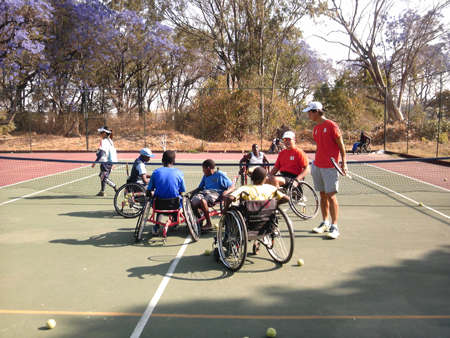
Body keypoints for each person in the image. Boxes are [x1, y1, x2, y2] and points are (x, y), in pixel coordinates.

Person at [304, 101, 347, 239]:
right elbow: (320, 147)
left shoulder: (332, 126)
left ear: (316, 111)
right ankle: (325, 222)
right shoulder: (316, 128)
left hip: (330, 168)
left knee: (330, 195)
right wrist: (315, 164)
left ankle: (335, 227)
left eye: (309, 112)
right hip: (318, 166)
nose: (308, 115)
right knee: (322, 195)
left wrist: (344, 163)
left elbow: (341, 146)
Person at [147, 150, 186, 235]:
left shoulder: (156, 172)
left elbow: (149, 190)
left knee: (158, 201)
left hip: (159, 204)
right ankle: (176, 222)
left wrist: (149, 195)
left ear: (162, 161)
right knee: (178, 199)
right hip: (174, 204)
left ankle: (157, 226)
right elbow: (181, 192)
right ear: (174, 161)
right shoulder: (179, 173)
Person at [190, 159, 236, 231]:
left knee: (203, 201)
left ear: (208, 168)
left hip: (215, 193)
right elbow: (200, 188)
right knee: (193, 203)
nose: (203, 171)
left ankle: (209, 224)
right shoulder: (205, 176)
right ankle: (200, 219)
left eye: (203, 169)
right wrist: (191, 192)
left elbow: (233, 186)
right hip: (203, 192)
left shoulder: (220, 174)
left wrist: (226, 192)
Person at [223, 167, 289, 214]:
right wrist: (274, 205)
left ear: (252, 178)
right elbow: (287, 199)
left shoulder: (244, 188)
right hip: (267, 215)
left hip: (249, 216)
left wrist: (225, 209)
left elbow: (230, 198)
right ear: (265, 179)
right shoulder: (271, 188)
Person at [92, 126, 118, 196]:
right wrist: (112, 163)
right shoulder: (110, 141)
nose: (100, 134)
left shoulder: (103, 142)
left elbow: (101, 153)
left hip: (105, 162)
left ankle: (116, 188)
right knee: (103, 176)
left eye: (101, 132)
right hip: (108, 162)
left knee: (103, 176)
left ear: (104, 133)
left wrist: (95, 162)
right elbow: (112, 152)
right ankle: (102, 191)